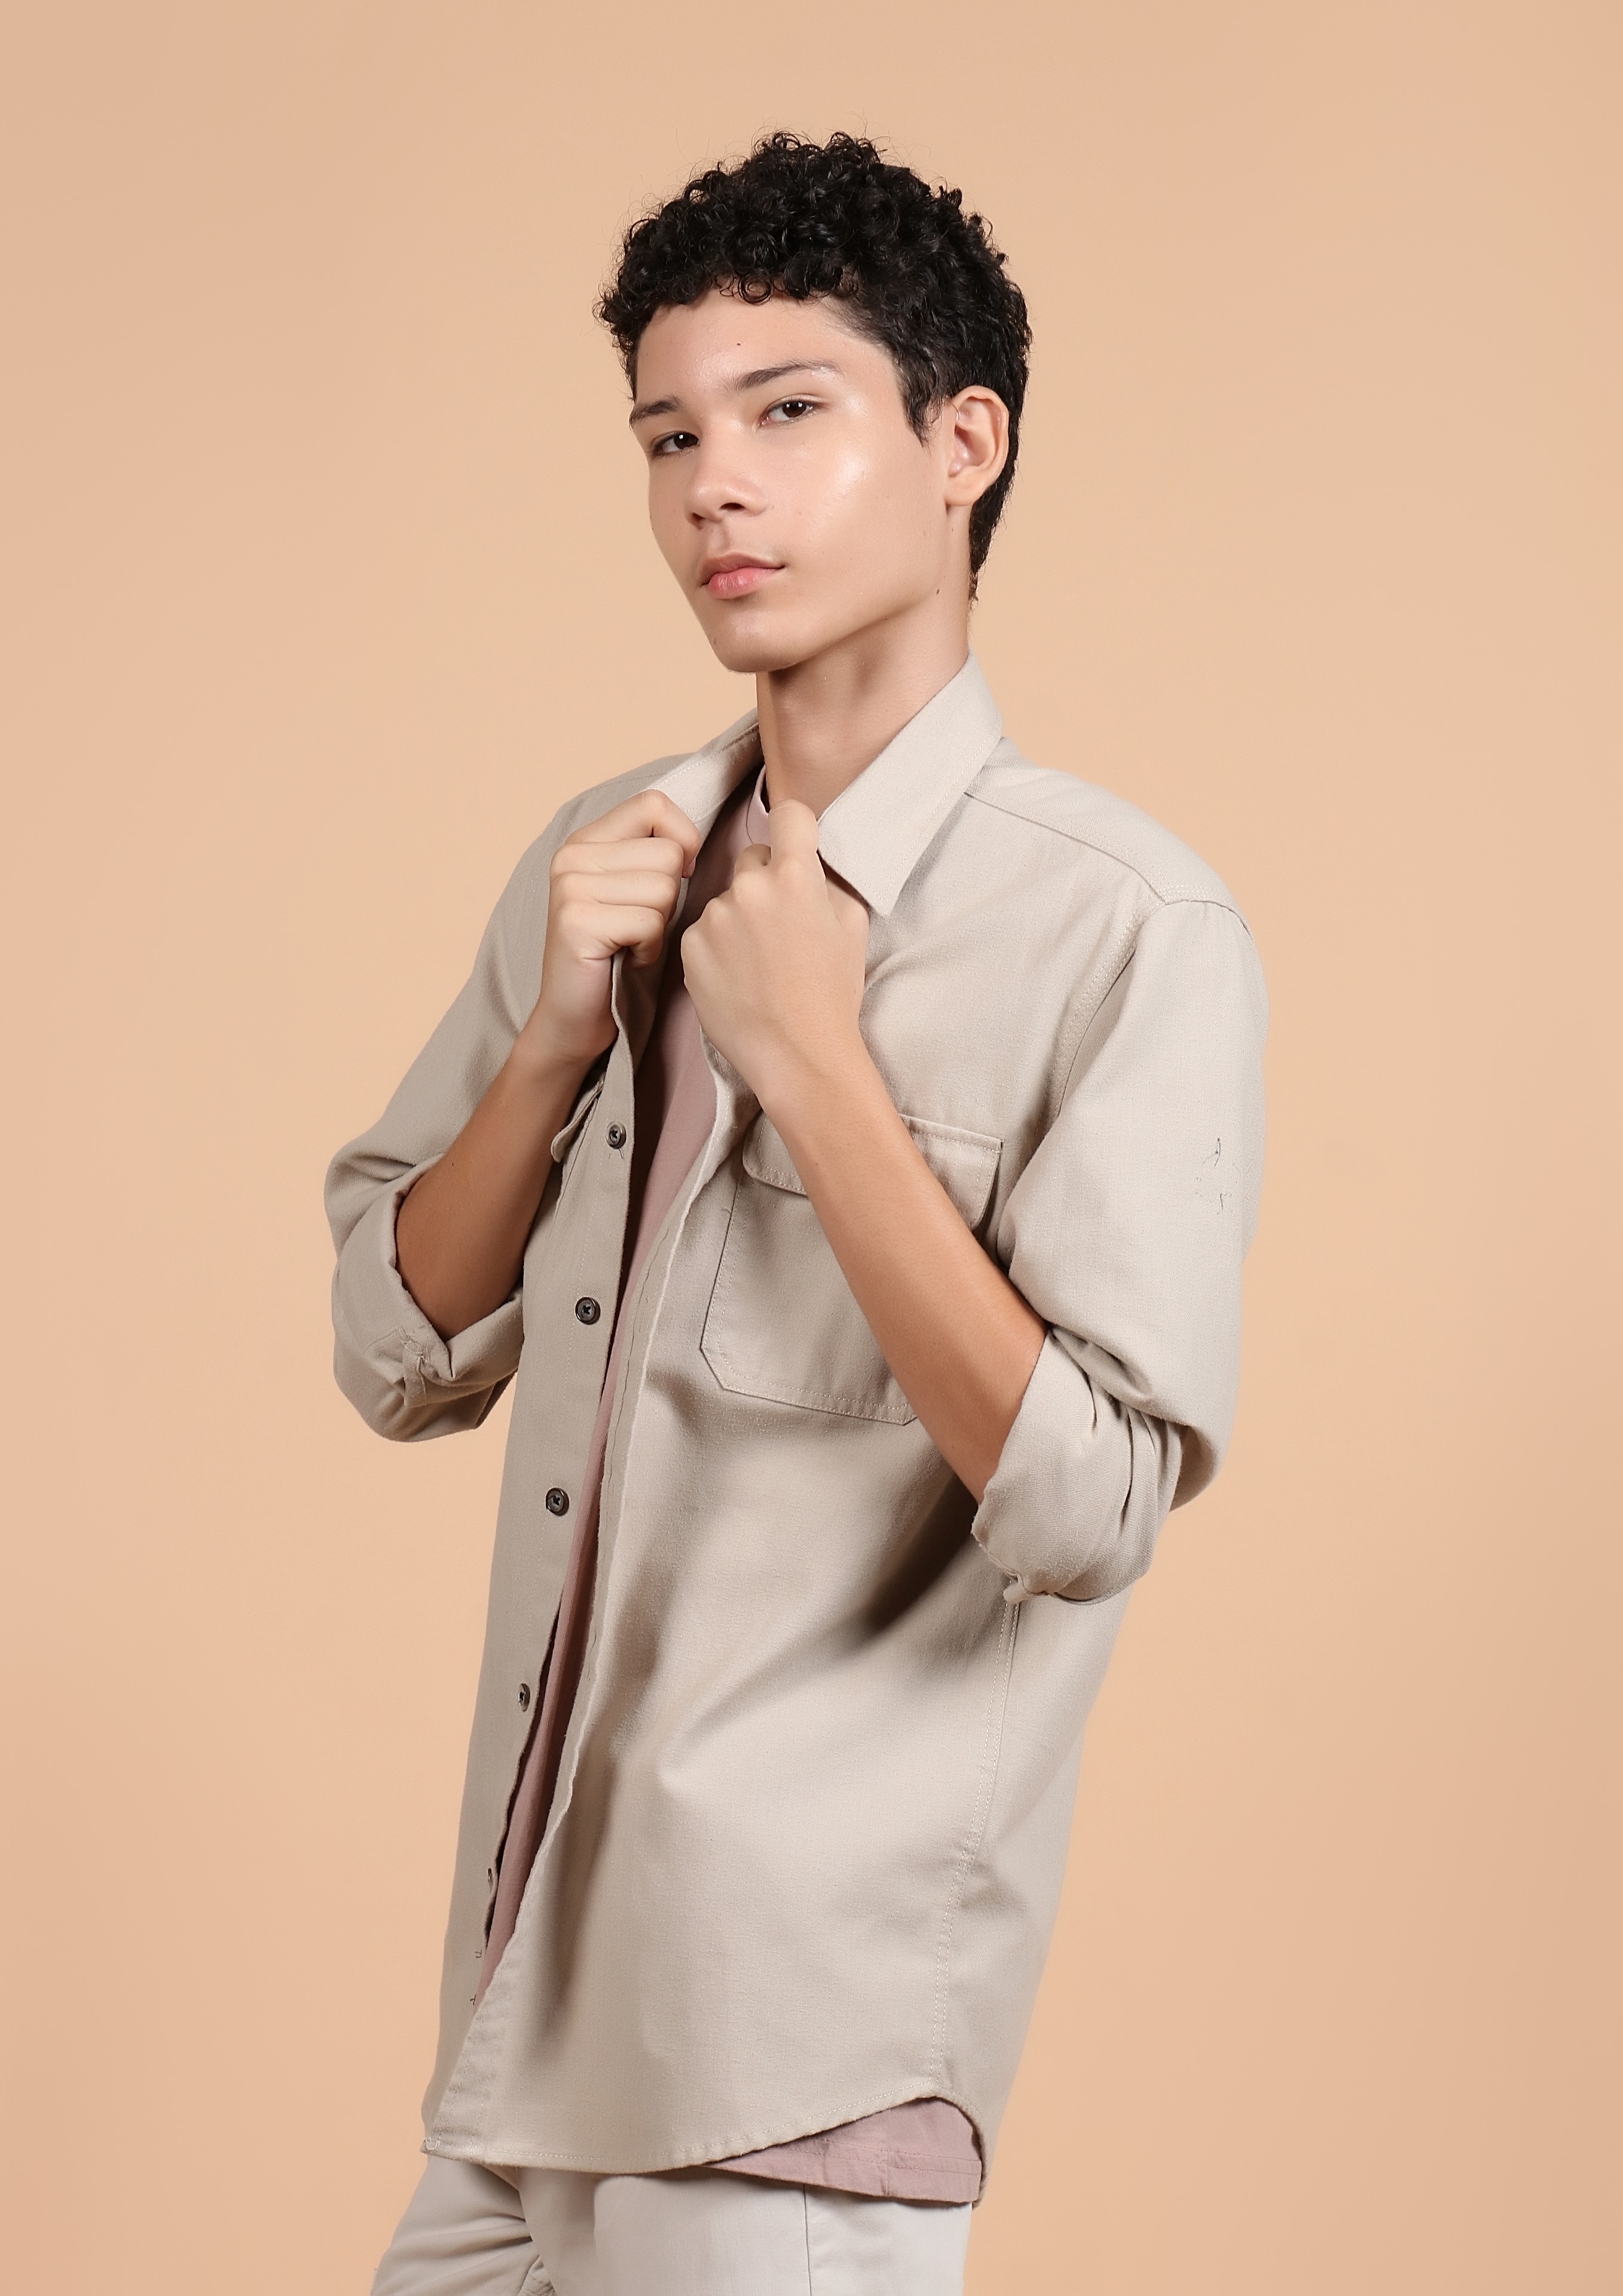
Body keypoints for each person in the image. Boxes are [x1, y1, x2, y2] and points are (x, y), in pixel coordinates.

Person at [327, 130, 1267, 2296]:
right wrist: (554, 1045)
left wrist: (818, 1073)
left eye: (784, 411)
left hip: (790, 2070)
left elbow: (1089, 1504)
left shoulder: (1122, 927)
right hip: (516, 2028)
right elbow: (395, 1350)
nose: (711, 489)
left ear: (962, 445)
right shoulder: (609, 853)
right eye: (668, 434)